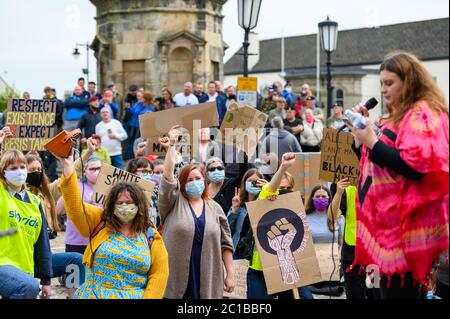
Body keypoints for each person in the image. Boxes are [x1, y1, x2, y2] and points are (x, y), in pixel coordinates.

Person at [349, 52, 449, 299]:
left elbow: (417, 167)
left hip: (406, 232)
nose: (383, 89)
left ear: (410, 81)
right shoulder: (396, 116)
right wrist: (361, 135)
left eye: (389, 83)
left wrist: (371, 141)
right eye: (381, 83)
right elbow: (377, 159)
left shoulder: (423, 113)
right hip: (386, 230)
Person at [57, 150, 169, 299]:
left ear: (139, 205)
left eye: (128, 203)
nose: (124, 206)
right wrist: (68, 167)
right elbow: (75, 206)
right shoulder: (101, 221)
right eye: (119, 203)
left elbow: (159, 275)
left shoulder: (151, 236)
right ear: (111, 206)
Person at [157, 125, 234, 298]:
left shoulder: (215, 208)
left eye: (198, 179)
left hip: (208, 276)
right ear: (182, 184)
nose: (194, 182)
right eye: (189, 180)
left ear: (204, 181)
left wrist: (230, 274)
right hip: (176, 277)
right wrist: (171, 146)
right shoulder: (173, 203)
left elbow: (226, 244)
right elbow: (168, 177)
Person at [244, 152, 314, 299]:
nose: (283, 192)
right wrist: (283, 167)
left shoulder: (296, 208)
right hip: (260, 268)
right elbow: (270, 189)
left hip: (288, 267)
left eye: (288, 188)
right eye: (280, 188)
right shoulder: (264, 197)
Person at [25, 154, 86, 299]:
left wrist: (86, 153)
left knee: (77, 260)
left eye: (39, 169)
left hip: (42, 257)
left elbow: (67, 176)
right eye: (32, 169)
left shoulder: (46, 192)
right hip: (21, 258)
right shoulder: (12, 195)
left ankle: (74, 296)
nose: (36, 172)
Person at [0, 150, 52, 299]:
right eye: (13, 168)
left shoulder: (35, 202)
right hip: (2, 263)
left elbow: (42, 244)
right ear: (3, 172)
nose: (20, 172)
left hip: (23, 268)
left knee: (27, 285)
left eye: (22, 167)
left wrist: (46, 279)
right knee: (28, 286)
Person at [328, 178, 368, 299]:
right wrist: (339, 192)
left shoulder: (380, 177)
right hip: (352, 254)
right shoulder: (344, 183)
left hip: (375, 254)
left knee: (375, 293)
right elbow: (332, 215)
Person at [227, 168, 265, 252]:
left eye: (256, 181)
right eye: (250, 180)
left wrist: (268, 190)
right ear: (244, 183)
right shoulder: (239, 204)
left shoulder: (265, 203)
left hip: (256, 252)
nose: (252, 183)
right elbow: (227, 229)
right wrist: (234, 210)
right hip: (238, 251)